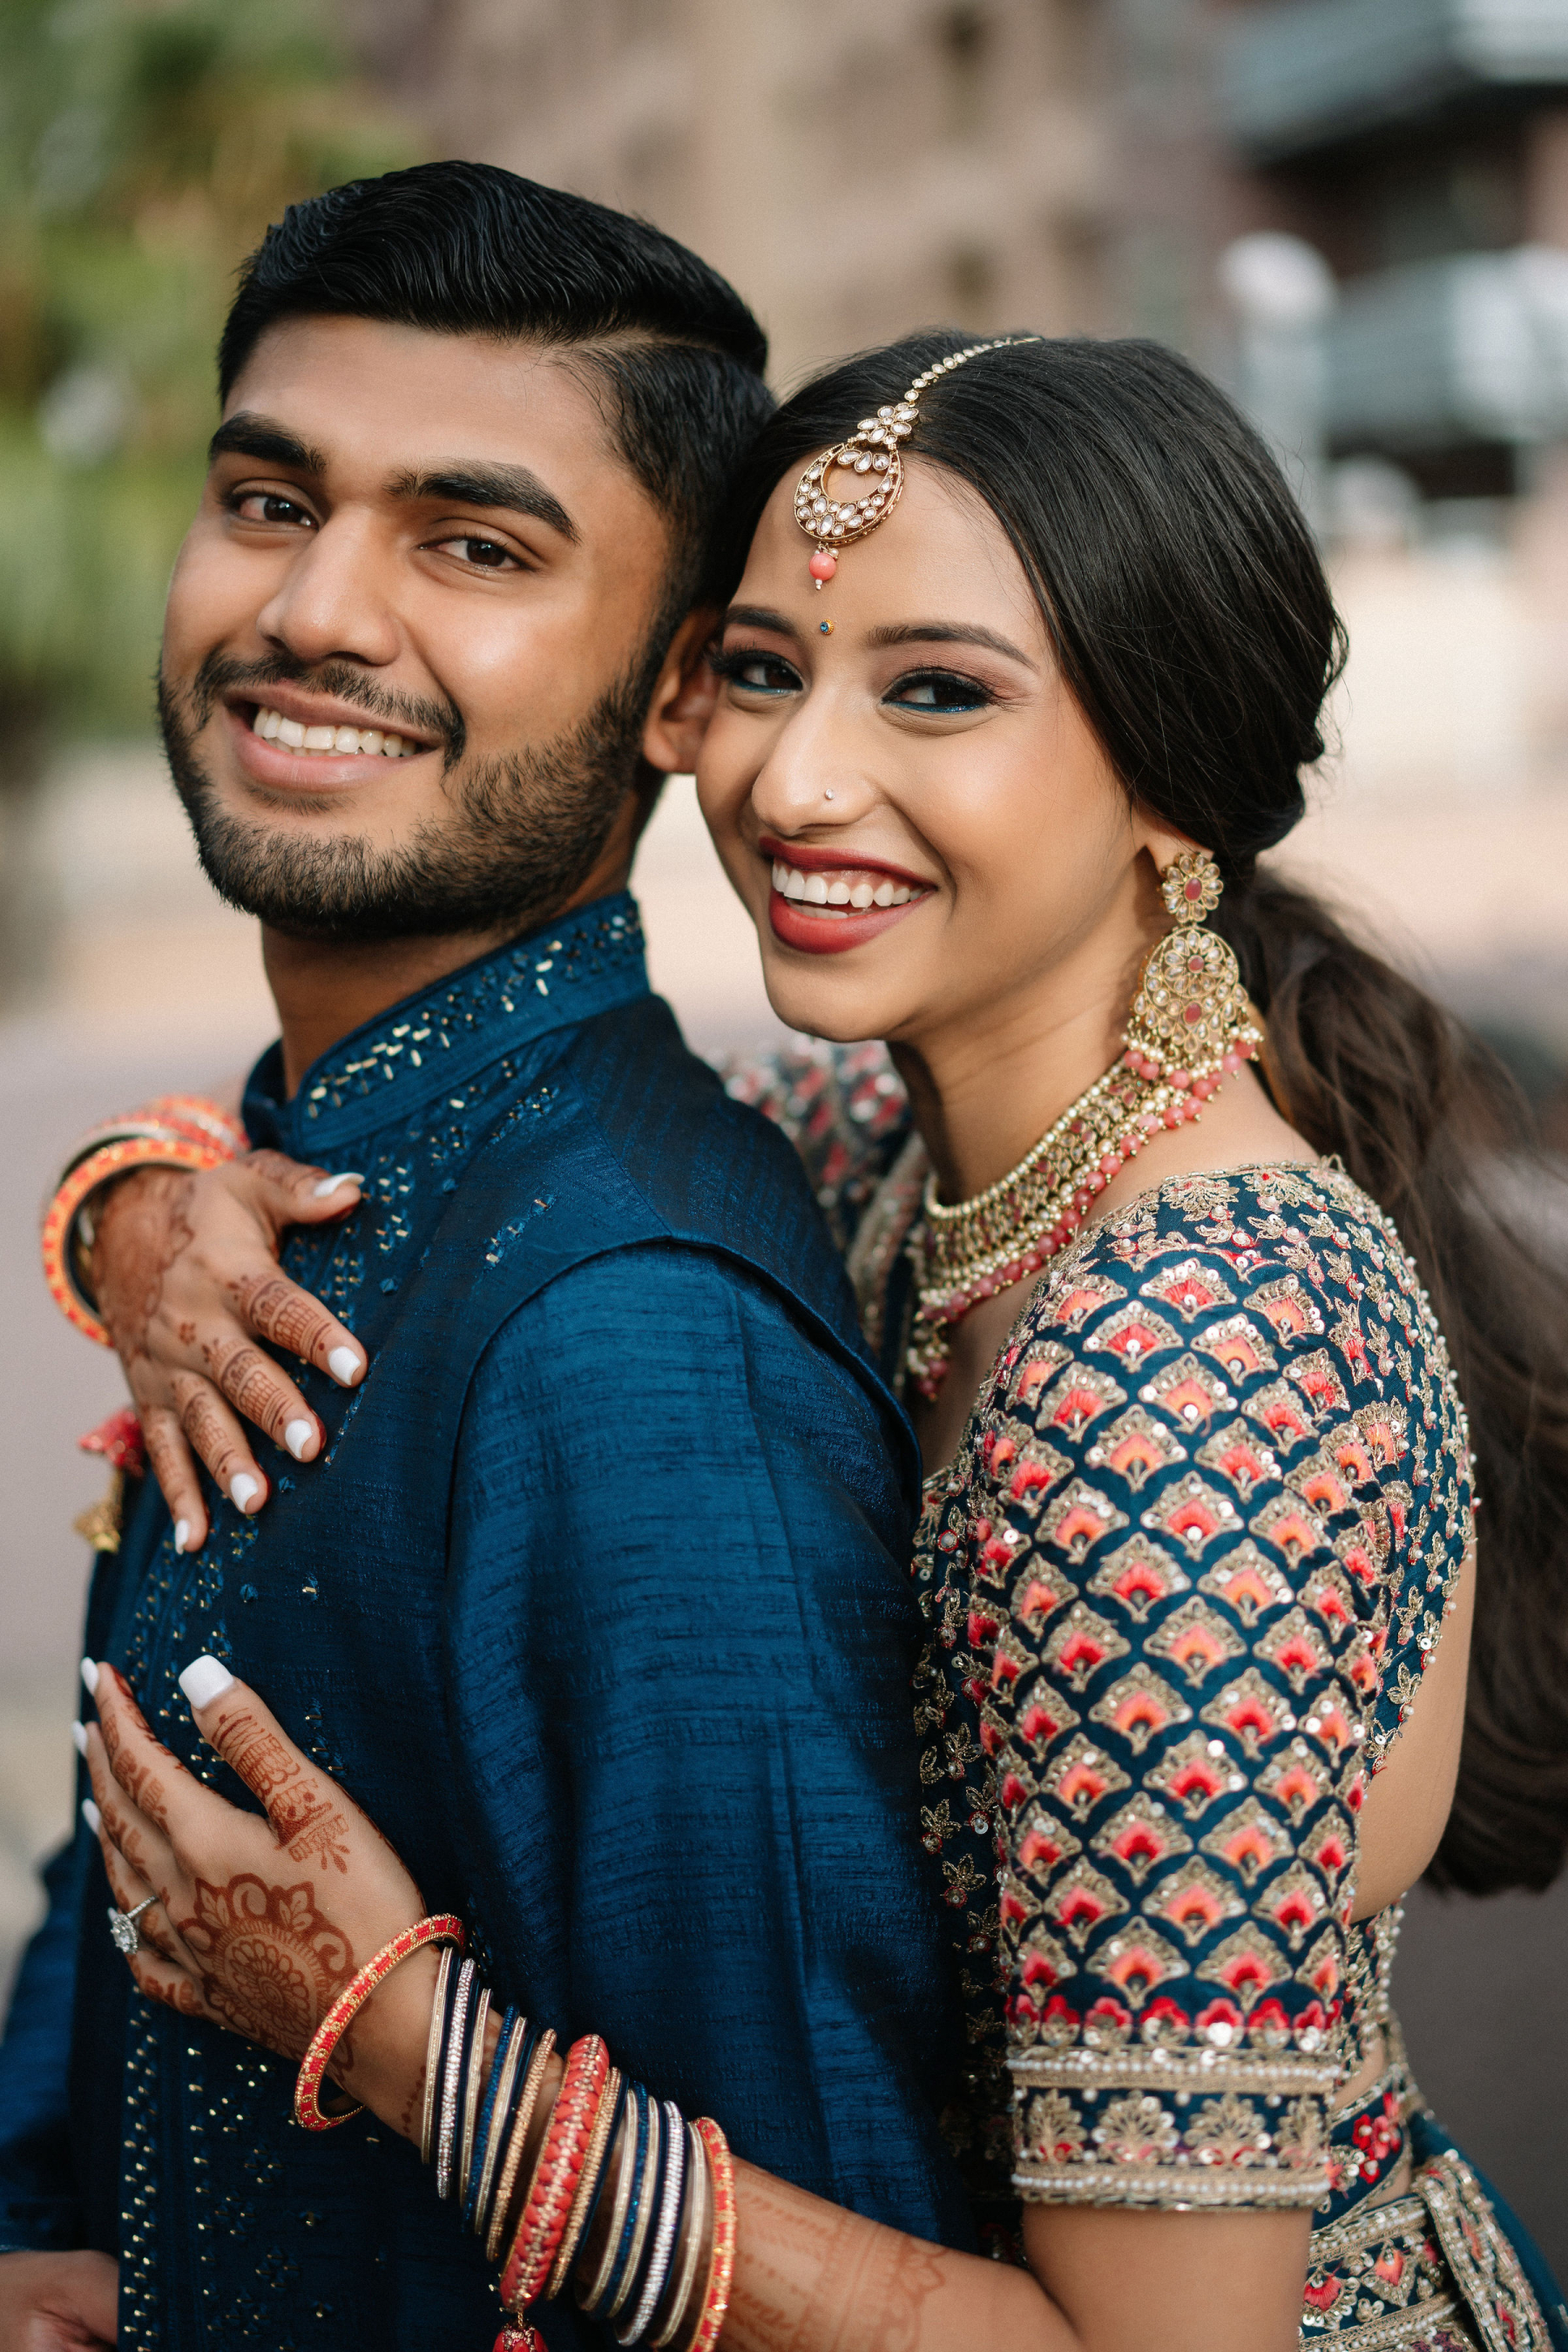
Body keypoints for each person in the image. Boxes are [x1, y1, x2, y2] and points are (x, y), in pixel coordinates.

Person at [51, 327, 1568, 2351]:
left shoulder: (1178, 1365)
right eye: (764, 670)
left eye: (935, 691)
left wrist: (405, 2040)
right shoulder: (908, 1152)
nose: (791, 777)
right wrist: (136, 1209)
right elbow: (473, 1164)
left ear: (1171, 776)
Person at [0, 172, 986, 2349]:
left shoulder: (625, 1340)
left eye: (474, 545)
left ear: (676, 694)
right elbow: (124, 1837)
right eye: (269, 499)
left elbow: (821, 2230)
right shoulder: (270, 1195)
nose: (319, 611)